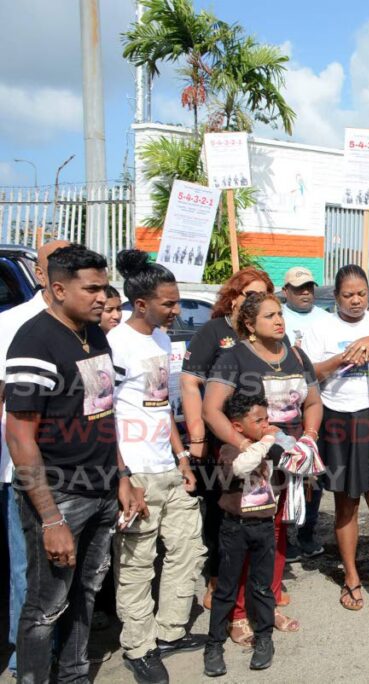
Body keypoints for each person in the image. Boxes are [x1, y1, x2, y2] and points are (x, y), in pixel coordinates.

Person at [5, 244, 145, 683]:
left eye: (105, 287)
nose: (103, 297)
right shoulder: (34, 340)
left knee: (86, 592)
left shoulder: (94, 333)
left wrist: (121, 475)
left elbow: (105, 413)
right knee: (45, 607)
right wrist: (50, 520)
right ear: (59, 288)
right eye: (92, 289)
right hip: (59, 495)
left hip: (103, 489)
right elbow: (19, 436)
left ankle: (74, 674)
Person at [108, 250, 207, 683]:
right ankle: (139, 646)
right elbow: (101, 414)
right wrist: (123, 475)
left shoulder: (164, 340)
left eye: (177, 301)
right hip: (136, 473)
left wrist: (182, 455)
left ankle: (168, 632)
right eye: (169, 303)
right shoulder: (113, 344)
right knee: (136, 563)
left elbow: (161, 405)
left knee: (188, 549)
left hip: (167, 468)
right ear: (142, 304)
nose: (177, 310)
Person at [203, 292, 321, 640]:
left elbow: (313, 402)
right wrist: (244, 446)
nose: (279, 320)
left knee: (277, 536)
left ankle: (266, 607)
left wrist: (310, 437)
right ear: (250, 326)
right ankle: (237, 613)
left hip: (290, 460)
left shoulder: (298, 356)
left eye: (280, 314)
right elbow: (211, 409)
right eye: (269, 316)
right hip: (251, 467)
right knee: (243, 539)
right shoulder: (233, 358)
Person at [300, 264, 369, 610]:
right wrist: (343, 358)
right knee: (347, 502)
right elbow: (311, 372)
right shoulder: (321, 326)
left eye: (361, 293)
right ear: (336, 298)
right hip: (338, 419)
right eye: (348, 295)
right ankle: (351, 576)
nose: (356, 300)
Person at [181, 267, 275, 613]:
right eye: (250, 294)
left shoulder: (267, 332)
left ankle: (257, 585)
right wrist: (197, 434)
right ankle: (217, 579)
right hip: (222, 437)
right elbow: (191, 384)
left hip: (259, 437)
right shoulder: (214, 331)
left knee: (258, 508)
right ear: (233, 297)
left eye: (264, 294)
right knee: (222, 513)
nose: (257, 300)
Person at [0, 238, 68, 677]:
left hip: (82, 469)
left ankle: (60, 655)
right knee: (29, 572)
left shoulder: (89, 327)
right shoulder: (12, 325)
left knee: (69, 571)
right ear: (40, 275)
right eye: (55, 265)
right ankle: (28, 660)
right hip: (26, 471)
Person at [202, 392, 285, 677]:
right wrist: (267, 441)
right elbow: (241, 467)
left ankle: (264, 638)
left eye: (267, 419)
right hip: (234, 528)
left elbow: (292, 458)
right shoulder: (230, 449)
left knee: (261, 587)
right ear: (237, 426)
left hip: (263, 527)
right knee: (225, 589)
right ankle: (213, 645)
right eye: (258, 420)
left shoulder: (267, 445)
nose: (266, 424)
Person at [278, 266, 332, 562]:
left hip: (317, 407)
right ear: (285, 291)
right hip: (284, 412)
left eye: (309, 287)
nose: (305, 293)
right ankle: (283, 540)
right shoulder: (277, 317)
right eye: (298, 288)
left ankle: (307, 534)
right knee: (284, 475)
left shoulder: (326, 319)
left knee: (313, 477)